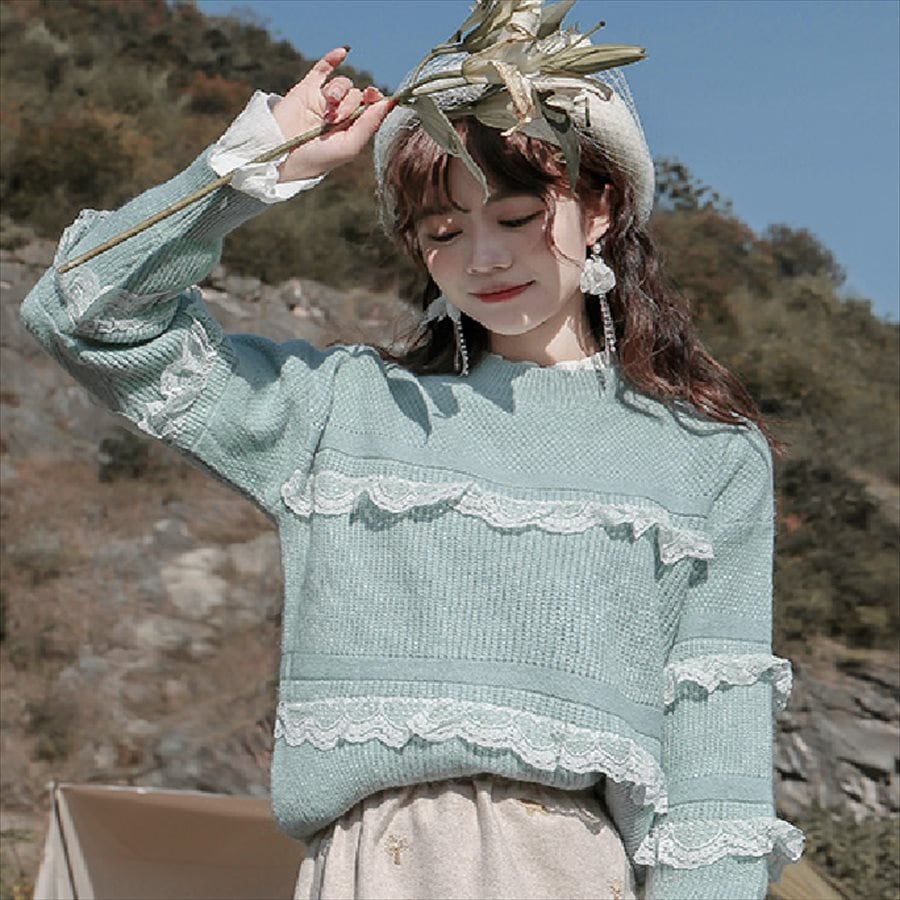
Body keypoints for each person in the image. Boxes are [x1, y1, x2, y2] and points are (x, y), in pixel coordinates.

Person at [20, 3, 803, 898]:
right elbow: (82, 314)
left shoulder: (707, 456)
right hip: (361, 869)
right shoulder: (344, 411)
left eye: (517, 215)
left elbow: (715, 795)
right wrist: (258, 164)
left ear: (601, 208)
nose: (484, 257)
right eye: (443, 231)